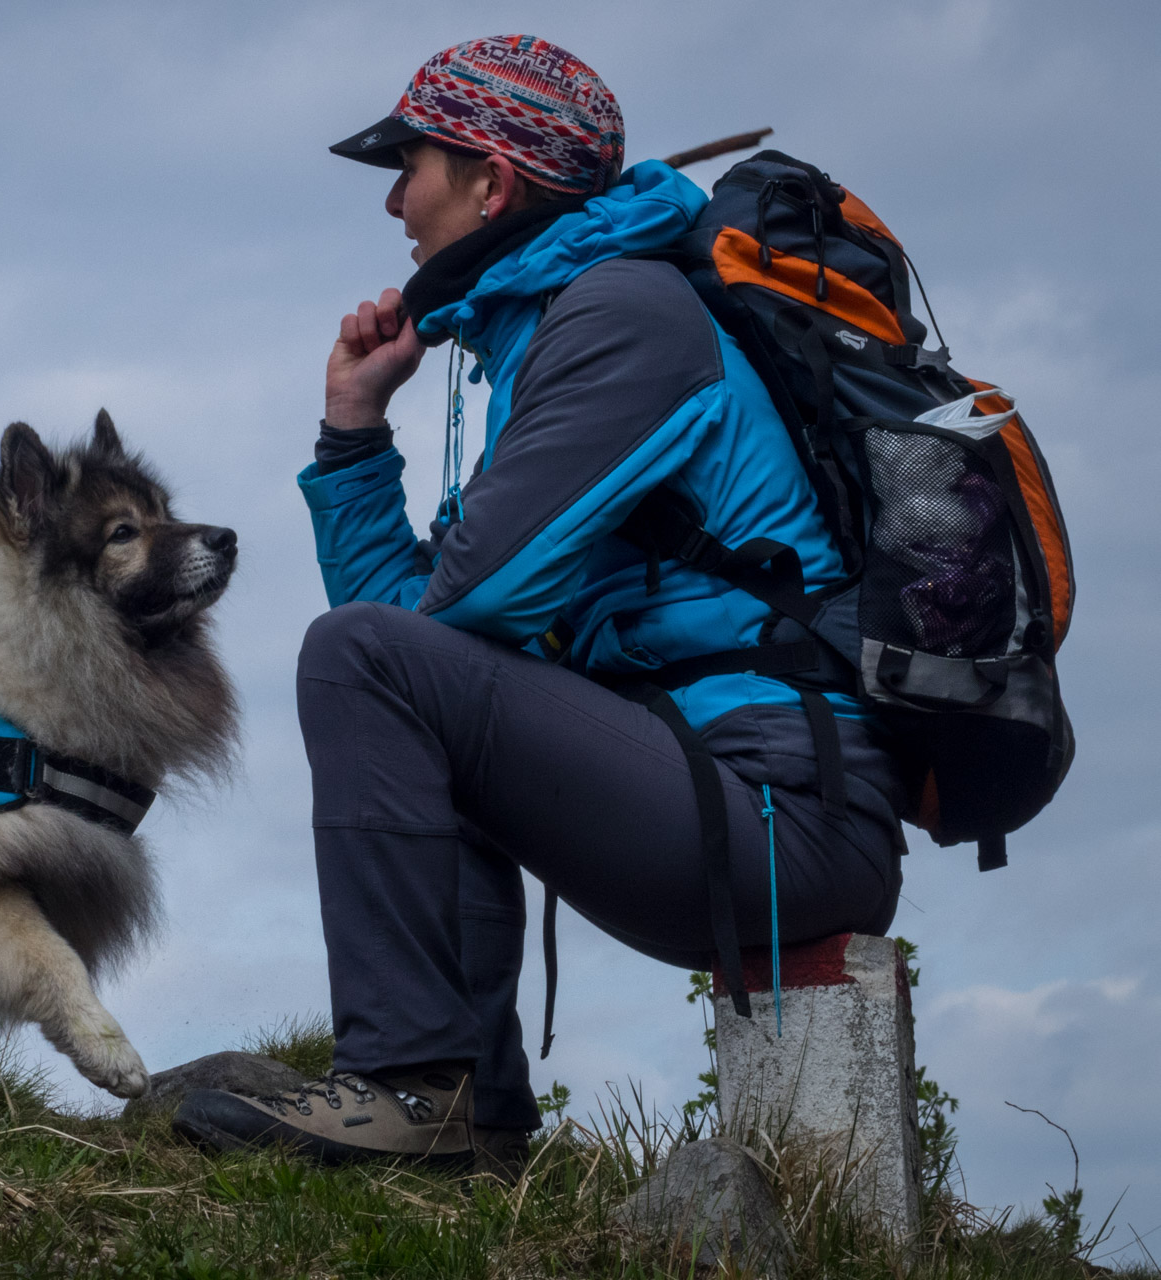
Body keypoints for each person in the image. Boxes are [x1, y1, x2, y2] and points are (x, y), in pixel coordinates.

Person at [173, 35, 908, 1177]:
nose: (391, 200)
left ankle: (413, 1086)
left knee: (364, 657)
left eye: (408, 163)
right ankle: (470, 1114)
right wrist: (354, 430)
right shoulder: (542, 332)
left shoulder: (622, 319)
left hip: (786, 815)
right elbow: (424, 642)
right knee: (388, 667)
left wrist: (403, 580)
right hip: (714, 787)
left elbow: (442, 621)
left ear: (491, 182)